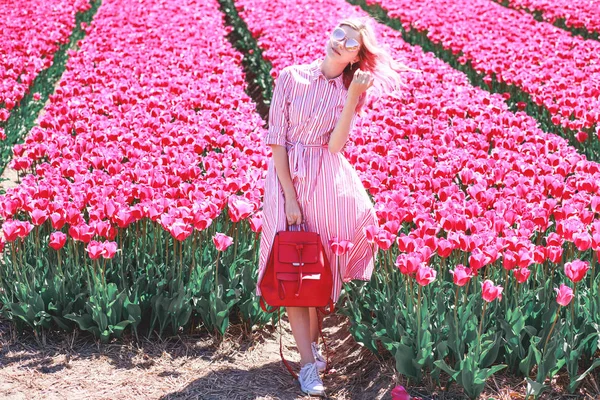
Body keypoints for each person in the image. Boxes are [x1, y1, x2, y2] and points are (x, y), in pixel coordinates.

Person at [256, 16, 417, 397]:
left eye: (349, 42)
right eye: (337, 35)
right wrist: (290, 196)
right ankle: (308, 366)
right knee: (291, 267)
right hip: (286, 180)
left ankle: (311, 348)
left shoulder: (351, 89)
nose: (339, 43)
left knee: (315, 264)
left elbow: (335, 146)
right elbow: (276, 141)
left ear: (357, 56)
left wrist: (350, 99)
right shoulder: (291, 76)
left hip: (326, 181)